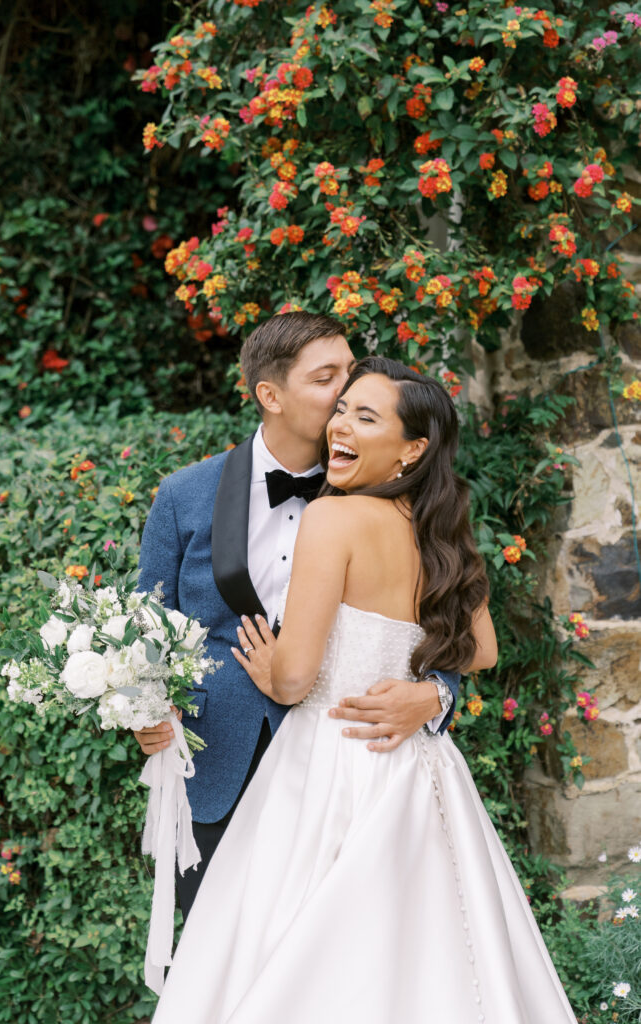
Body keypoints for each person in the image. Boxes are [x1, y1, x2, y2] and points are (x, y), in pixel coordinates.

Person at [151, 357, 578, 1024]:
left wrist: (272, 670)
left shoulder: (332, 518)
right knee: (423, 949)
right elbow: (485, 649)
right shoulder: (442, 528)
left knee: (301, 949)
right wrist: (426, 686)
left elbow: (294, 679)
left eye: (364, 416)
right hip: (412, 771)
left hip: (325, 763)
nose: (340, 424)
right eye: (342, 408)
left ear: (412, 449)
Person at [135, 314, 460, 920]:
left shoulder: (390, 499)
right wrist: (145, 712)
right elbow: (146, 626)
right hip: (215, 763)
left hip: (342, 769)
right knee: (219, 954)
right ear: (271, 395)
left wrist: (436, 696)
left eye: (351, 374)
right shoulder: (184, 494)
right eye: (326, 378)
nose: (345, 392)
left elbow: (440, 617)